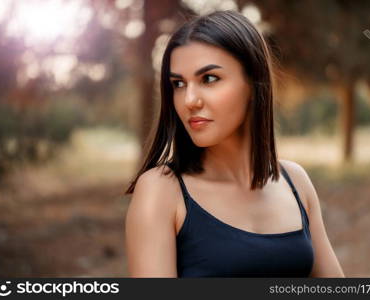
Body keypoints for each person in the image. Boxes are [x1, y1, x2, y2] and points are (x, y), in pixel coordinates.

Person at [125, 10, 344, 278]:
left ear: (253, 83)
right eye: (178, 84)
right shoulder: (161, 191)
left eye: (209, 79)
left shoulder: (295, 182)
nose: (189, 100)